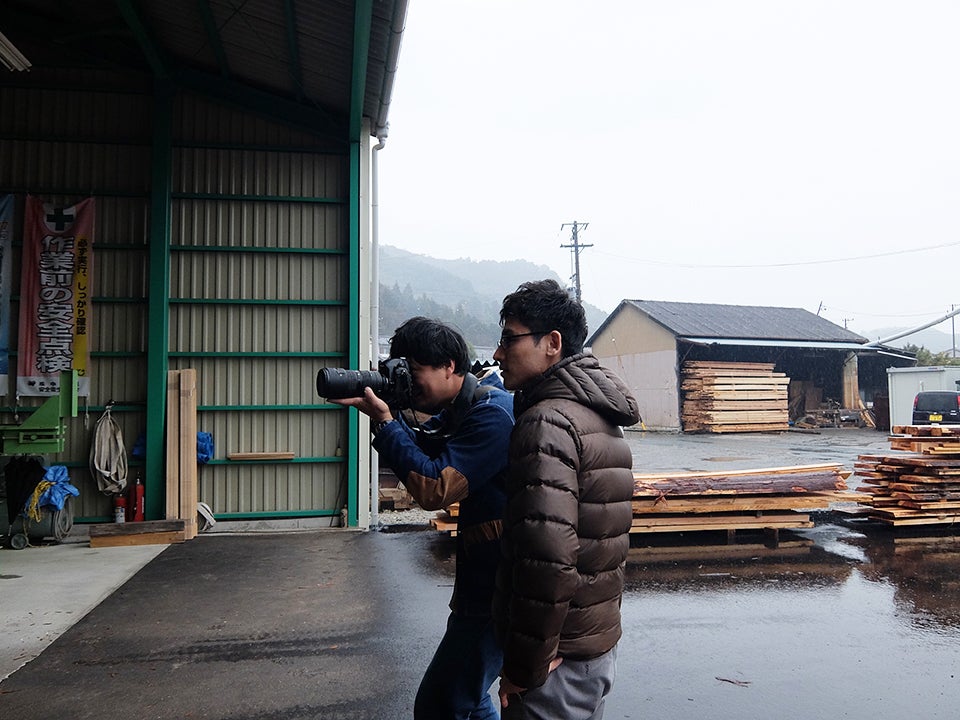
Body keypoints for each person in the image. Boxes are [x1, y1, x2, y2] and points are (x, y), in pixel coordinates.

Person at [328, 316, 514, 719]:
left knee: (441, 703)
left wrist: (385, 422)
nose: (409, 384)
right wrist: (384, 411)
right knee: (467, 698)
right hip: (483, 584)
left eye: (413, 373)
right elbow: (426, 448)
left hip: (499, 590)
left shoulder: (493, 413)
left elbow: (435, 487)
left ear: (449, 366)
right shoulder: (463, 406)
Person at [491, 280, 641, 720]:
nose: (498, 353)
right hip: (592, 648)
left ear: (552, 344)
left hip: (555, 663)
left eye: (509, 339)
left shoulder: (547, 422)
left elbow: (548, 558)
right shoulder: (597, 413)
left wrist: (525, 667)